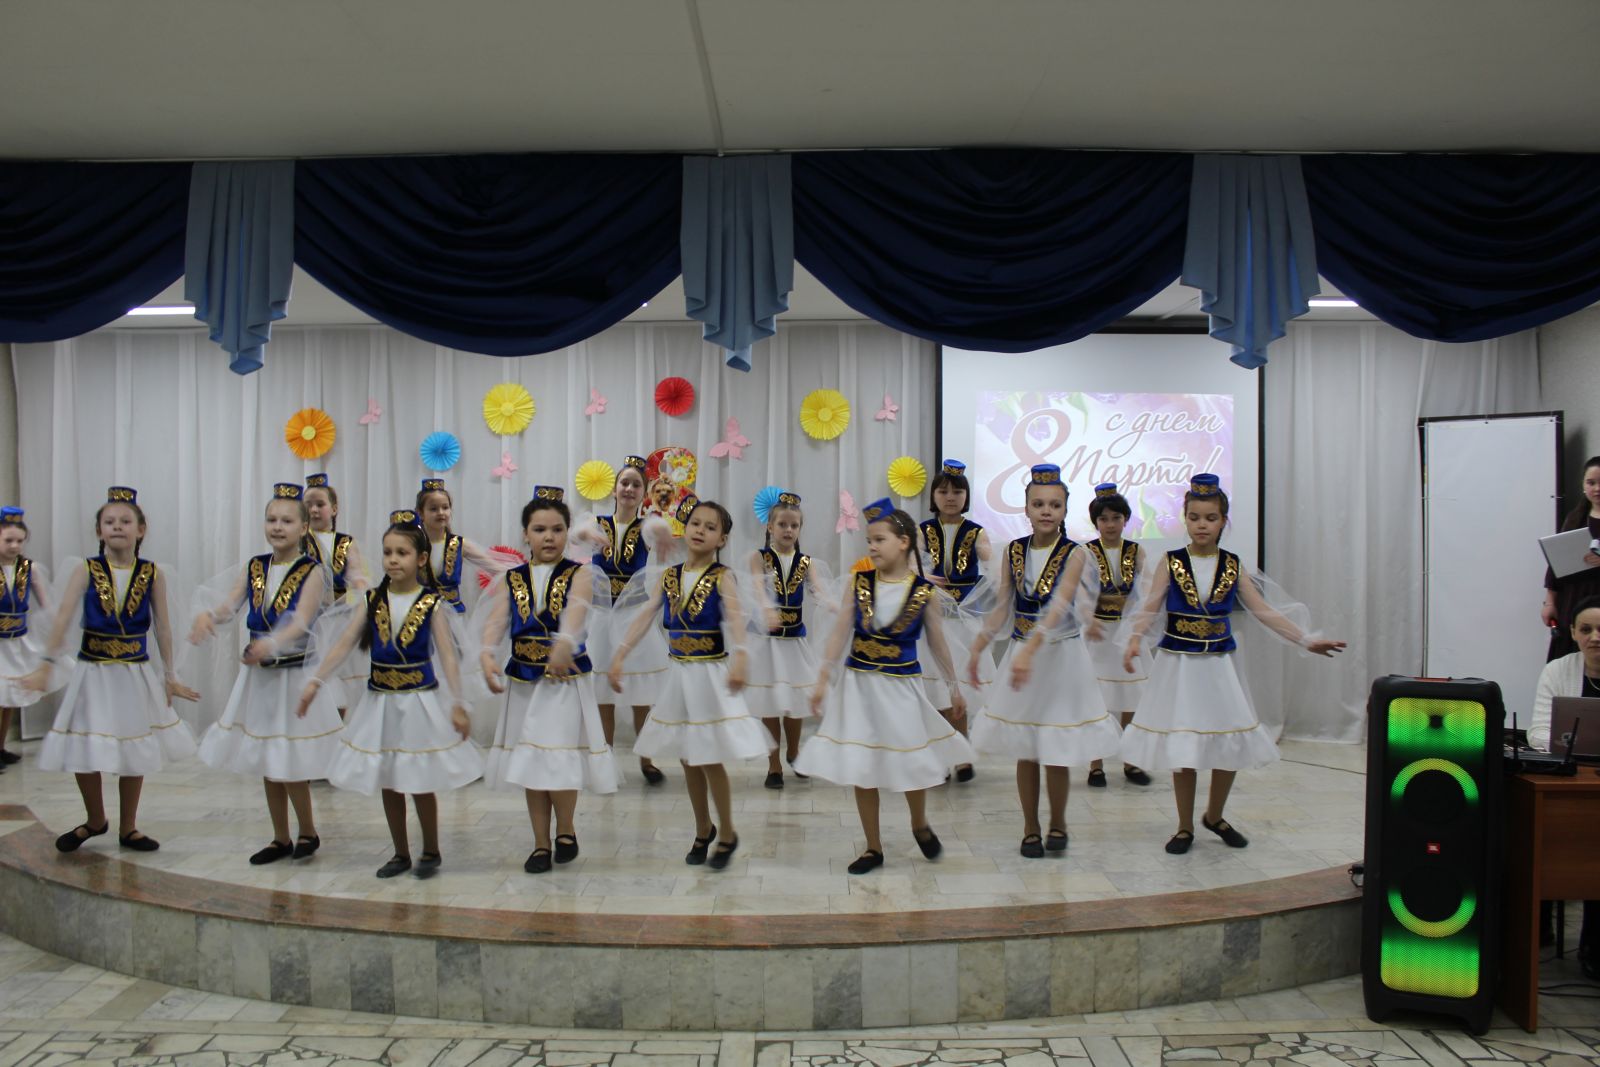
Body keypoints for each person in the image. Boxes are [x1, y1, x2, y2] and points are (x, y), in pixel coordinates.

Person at [1120, 475, 1345, 854]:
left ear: (1223, 520)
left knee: (1228, 740)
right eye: (1194, 517)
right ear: (1185, 519)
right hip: (1179, 665)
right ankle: (1184, 826)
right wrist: (1132, 640)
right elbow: (1150, 606)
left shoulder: (1232, 565)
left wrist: (1306, 639)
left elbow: (1263, 611)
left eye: (1210, 518)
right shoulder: (1170, 562)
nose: (1202, 525)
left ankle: (1215, 815)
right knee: (1184, 744)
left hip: (1219, 666)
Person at [796, 499, 976, 874]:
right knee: (863, 765)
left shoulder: (923, 592)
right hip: (859, 687)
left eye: (879, 539)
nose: (872, 547)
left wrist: (953, 687)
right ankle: (872, 847)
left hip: (901, 688)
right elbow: (839, 633)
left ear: (904, 542)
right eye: (869, 541)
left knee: (910, 758)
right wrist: (823, 678)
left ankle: (919, 823)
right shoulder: (859, 584)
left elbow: (938, 643)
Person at [301, 509, 483, 878]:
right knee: (389, 778)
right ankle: (400, 852)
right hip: (380, 700)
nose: (393, 560)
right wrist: (316, 680)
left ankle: (430, 849)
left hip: (419, 700)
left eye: (402, 553)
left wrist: (458, 704)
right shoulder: (371, 600)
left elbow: (448, 657)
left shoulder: (432, 603)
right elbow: (343, 644)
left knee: (419, 778)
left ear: (421, 558)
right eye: (387, 552)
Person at [26, 487, 199, 852]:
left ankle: (129, 827)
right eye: (109, 522)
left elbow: (163, 627)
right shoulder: (85, 569)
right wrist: (45, 663)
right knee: (84, 746)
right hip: (93, 672)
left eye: (125, 521)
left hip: (134, 673)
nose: (117, 527)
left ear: (141, 529)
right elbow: (63, 617)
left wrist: (170, 675)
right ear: (99, 530)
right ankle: (95, 819)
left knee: (133, 747)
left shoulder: (153, 573)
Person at [608, 496, 772, 871]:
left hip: (710, 675)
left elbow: (735, 620)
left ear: (722, 539)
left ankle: (727, 831)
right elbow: (646, 614)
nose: (700, 531)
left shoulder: (723, 576)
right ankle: (703, 828)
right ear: (685, 529)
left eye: (710, 527)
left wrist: (741, 657)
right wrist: (620, 653)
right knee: (687, 757)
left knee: (709, 757)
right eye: (696, 523)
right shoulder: (669, 576)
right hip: (679, 673)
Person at [968, 464, 1121, 858]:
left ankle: (1058, 822)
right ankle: (1030, 827)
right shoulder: (1014, 551)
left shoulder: (1077, 553)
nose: (1046, 511)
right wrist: (979, 644)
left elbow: (1060, 605)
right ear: (1026, 508)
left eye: (1054, 504)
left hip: (1061, 659)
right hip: (1022, 655)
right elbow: (1003, 604)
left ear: (1065, 510)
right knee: (1027, 746)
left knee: (1056, 745)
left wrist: (1030, 650)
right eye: (1038, 504)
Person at [190, 484, 342, 863]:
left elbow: (302, 621)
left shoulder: (313, 571)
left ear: (303, 527)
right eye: (271, 519)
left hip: (293, 675)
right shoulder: (255, 567)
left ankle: (308, 831)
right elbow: (230, 606)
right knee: (266, 756)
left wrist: (271, 643)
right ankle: (280, 837)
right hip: (261, 676)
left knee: (289, 758)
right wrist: (209, 617)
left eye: (287, 521)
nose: (277, 526)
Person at [478, 487, 618, 874]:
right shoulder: (512, 578)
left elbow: (577, 609)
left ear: (567, 532)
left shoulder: (580, 573)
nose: (549, 537)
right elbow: (497, 620)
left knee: (557, 756)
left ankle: (566, 828)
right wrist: (487, 653)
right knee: (532, 761)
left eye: (557, 529)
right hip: (524, 680)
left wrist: (565, 641)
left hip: (563, 681)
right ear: (526, 533)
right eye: (539, 529)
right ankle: (540, 842)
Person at [580, 455, 667, 785]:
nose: (629, 489)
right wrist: (586, 534)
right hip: (601, 617)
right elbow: (575, 535)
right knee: (603, 694)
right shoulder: (596, 523)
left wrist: (664, 531)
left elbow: (662, 531)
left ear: (644, 493)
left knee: (641, 694)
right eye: (624, 483)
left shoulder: (648, 526)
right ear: (614, 489)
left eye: (636, 485)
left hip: (633, 615)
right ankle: (606, 759)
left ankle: (646, 759)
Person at [1529, 594, 1600, 979]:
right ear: (1572, 633)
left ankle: (1594, 948)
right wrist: (1568, 751)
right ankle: (1537, 933)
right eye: (1586, 629)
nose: (1595, 637)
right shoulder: (1558, 670)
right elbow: (1539, 731)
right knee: (1547, 840)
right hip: (1572, 778)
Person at [744, 491, 830, 789]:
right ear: (770, 527)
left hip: (794, 641)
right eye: (782, 524)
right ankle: (774, 764)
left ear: (800, 529)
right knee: (770, 702)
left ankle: (794, 751)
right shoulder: (758, 557)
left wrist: (833, 604)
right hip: (767, 643)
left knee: (795, 701)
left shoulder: (807, 562)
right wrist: (766, 607)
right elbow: (757, 587)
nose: (788, 530)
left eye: (794, 525)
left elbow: (818, 590)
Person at [919, 460, 991, 782]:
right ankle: (941, 754)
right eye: (943, 491)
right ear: (933, 496)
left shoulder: (976, 532)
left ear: (966, 496)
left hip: (964, 623)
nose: (950, 497)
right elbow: (911, 562)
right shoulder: (922, 530)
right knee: (937, 689)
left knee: (959, 687)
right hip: (933, 621)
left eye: (957, 492)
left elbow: (989, 558)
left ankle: (962, 753)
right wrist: (921, 575)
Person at [1081, 483, 1153, 788]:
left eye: (1116, 518)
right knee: (1097, 700)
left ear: (1126, 520)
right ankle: (1095, 763)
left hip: (1127, 632)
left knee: (1131, 698)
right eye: (1104, 519)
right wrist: (1088, 619)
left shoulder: (1136, 551)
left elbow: (1147, 588)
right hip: (1097, 634)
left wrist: (1139, 621)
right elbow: (1080, 592)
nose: (1110, 524)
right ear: (1095, 522)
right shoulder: (1086, 552)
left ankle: (1131, 760)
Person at [303, 473, 369, 714]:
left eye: (319, 504)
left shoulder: (345, 542)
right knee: (314, 679)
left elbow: (355, 570)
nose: (313, 510)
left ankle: (339, 727)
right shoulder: (299, 540)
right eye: (308, 505)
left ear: (334, 508)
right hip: (308, 621)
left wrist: (360, 584)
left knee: (340, 682)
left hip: (338, 619)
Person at [0, 507, 51, 771]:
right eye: (8, 540)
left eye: (19, 541)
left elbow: (45, 603)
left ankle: (0, 746)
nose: (14, 546)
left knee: (10, 696)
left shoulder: (28, 568)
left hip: (16, 641)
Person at [1541, 457, 1600, 661]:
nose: (1597, 489)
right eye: (1591, 483)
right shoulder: (1575, 518)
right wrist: (1550, 602)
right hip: (1573, 599)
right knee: (1568, 660)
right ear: (1583, 485)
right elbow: (1555, 564)